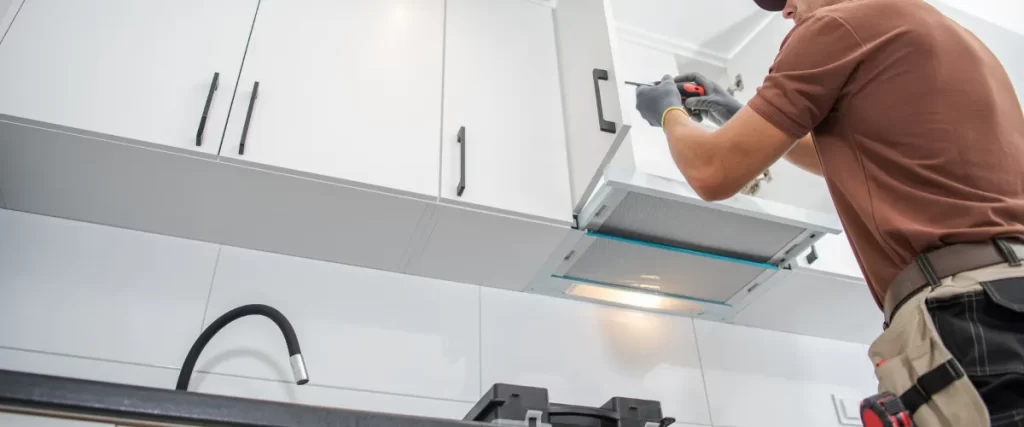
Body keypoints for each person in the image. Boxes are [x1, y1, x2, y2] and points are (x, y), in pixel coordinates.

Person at [633, 0, 1024, 425]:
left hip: (968, 312)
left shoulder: (836, 25)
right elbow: (856, 157)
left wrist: (668, 112)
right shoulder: (950, 35)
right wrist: (737, 113)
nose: (785, 12)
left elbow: (712, 172)